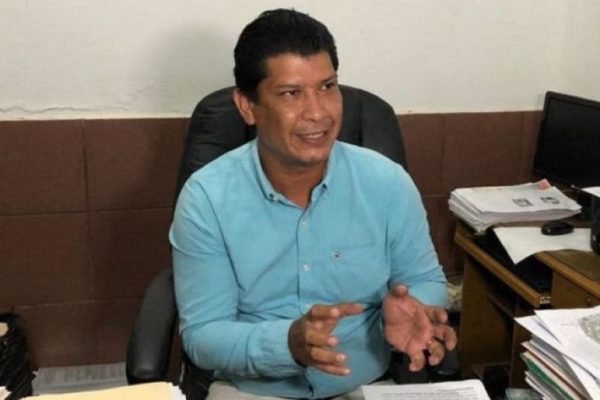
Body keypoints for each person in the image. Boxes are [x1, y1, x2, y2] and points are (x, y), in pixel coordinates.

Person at [170, 8, 456, 400]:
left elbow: (424, 279)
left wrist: (411, 309)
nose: (318, 112)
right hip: (252, 390)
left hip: (366, 384)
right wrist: (287, 344)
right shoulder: (207, 197)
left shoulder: (387, 182)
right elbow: (203, 334)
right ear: (248, 106)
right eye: (291, 93)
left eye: (327, 87)